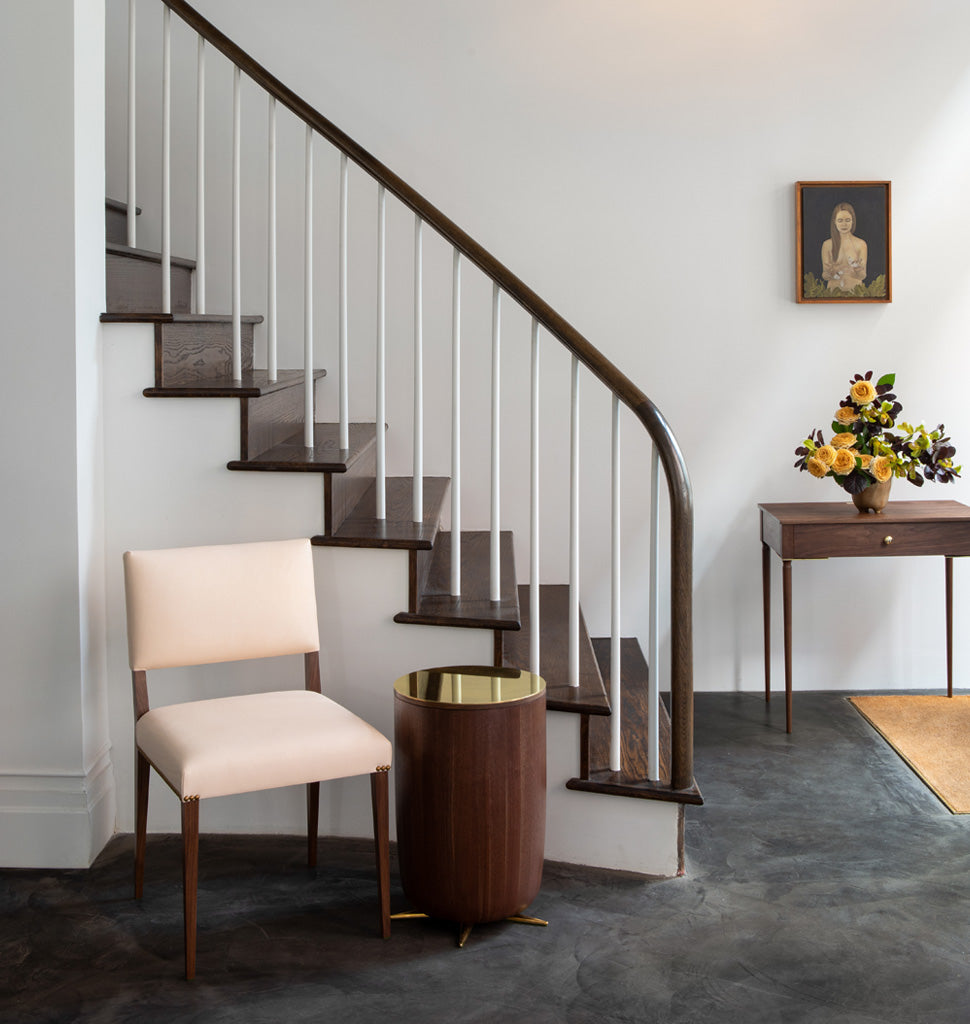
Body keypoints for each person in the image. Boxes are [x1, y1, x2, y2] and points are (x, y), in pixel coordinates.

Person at [821, 202, 867, 293]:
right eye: (840, 220)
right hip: (832, 294)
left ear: (852, 221)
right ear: (834, 222)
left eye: (847, 220)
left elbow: (863, 275)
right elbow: (825, 276)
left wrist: (858, 269)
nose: (844, 224)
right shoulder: (827, 245)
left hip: (856, 294)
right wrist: (830, 272)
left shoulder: (861, 244)